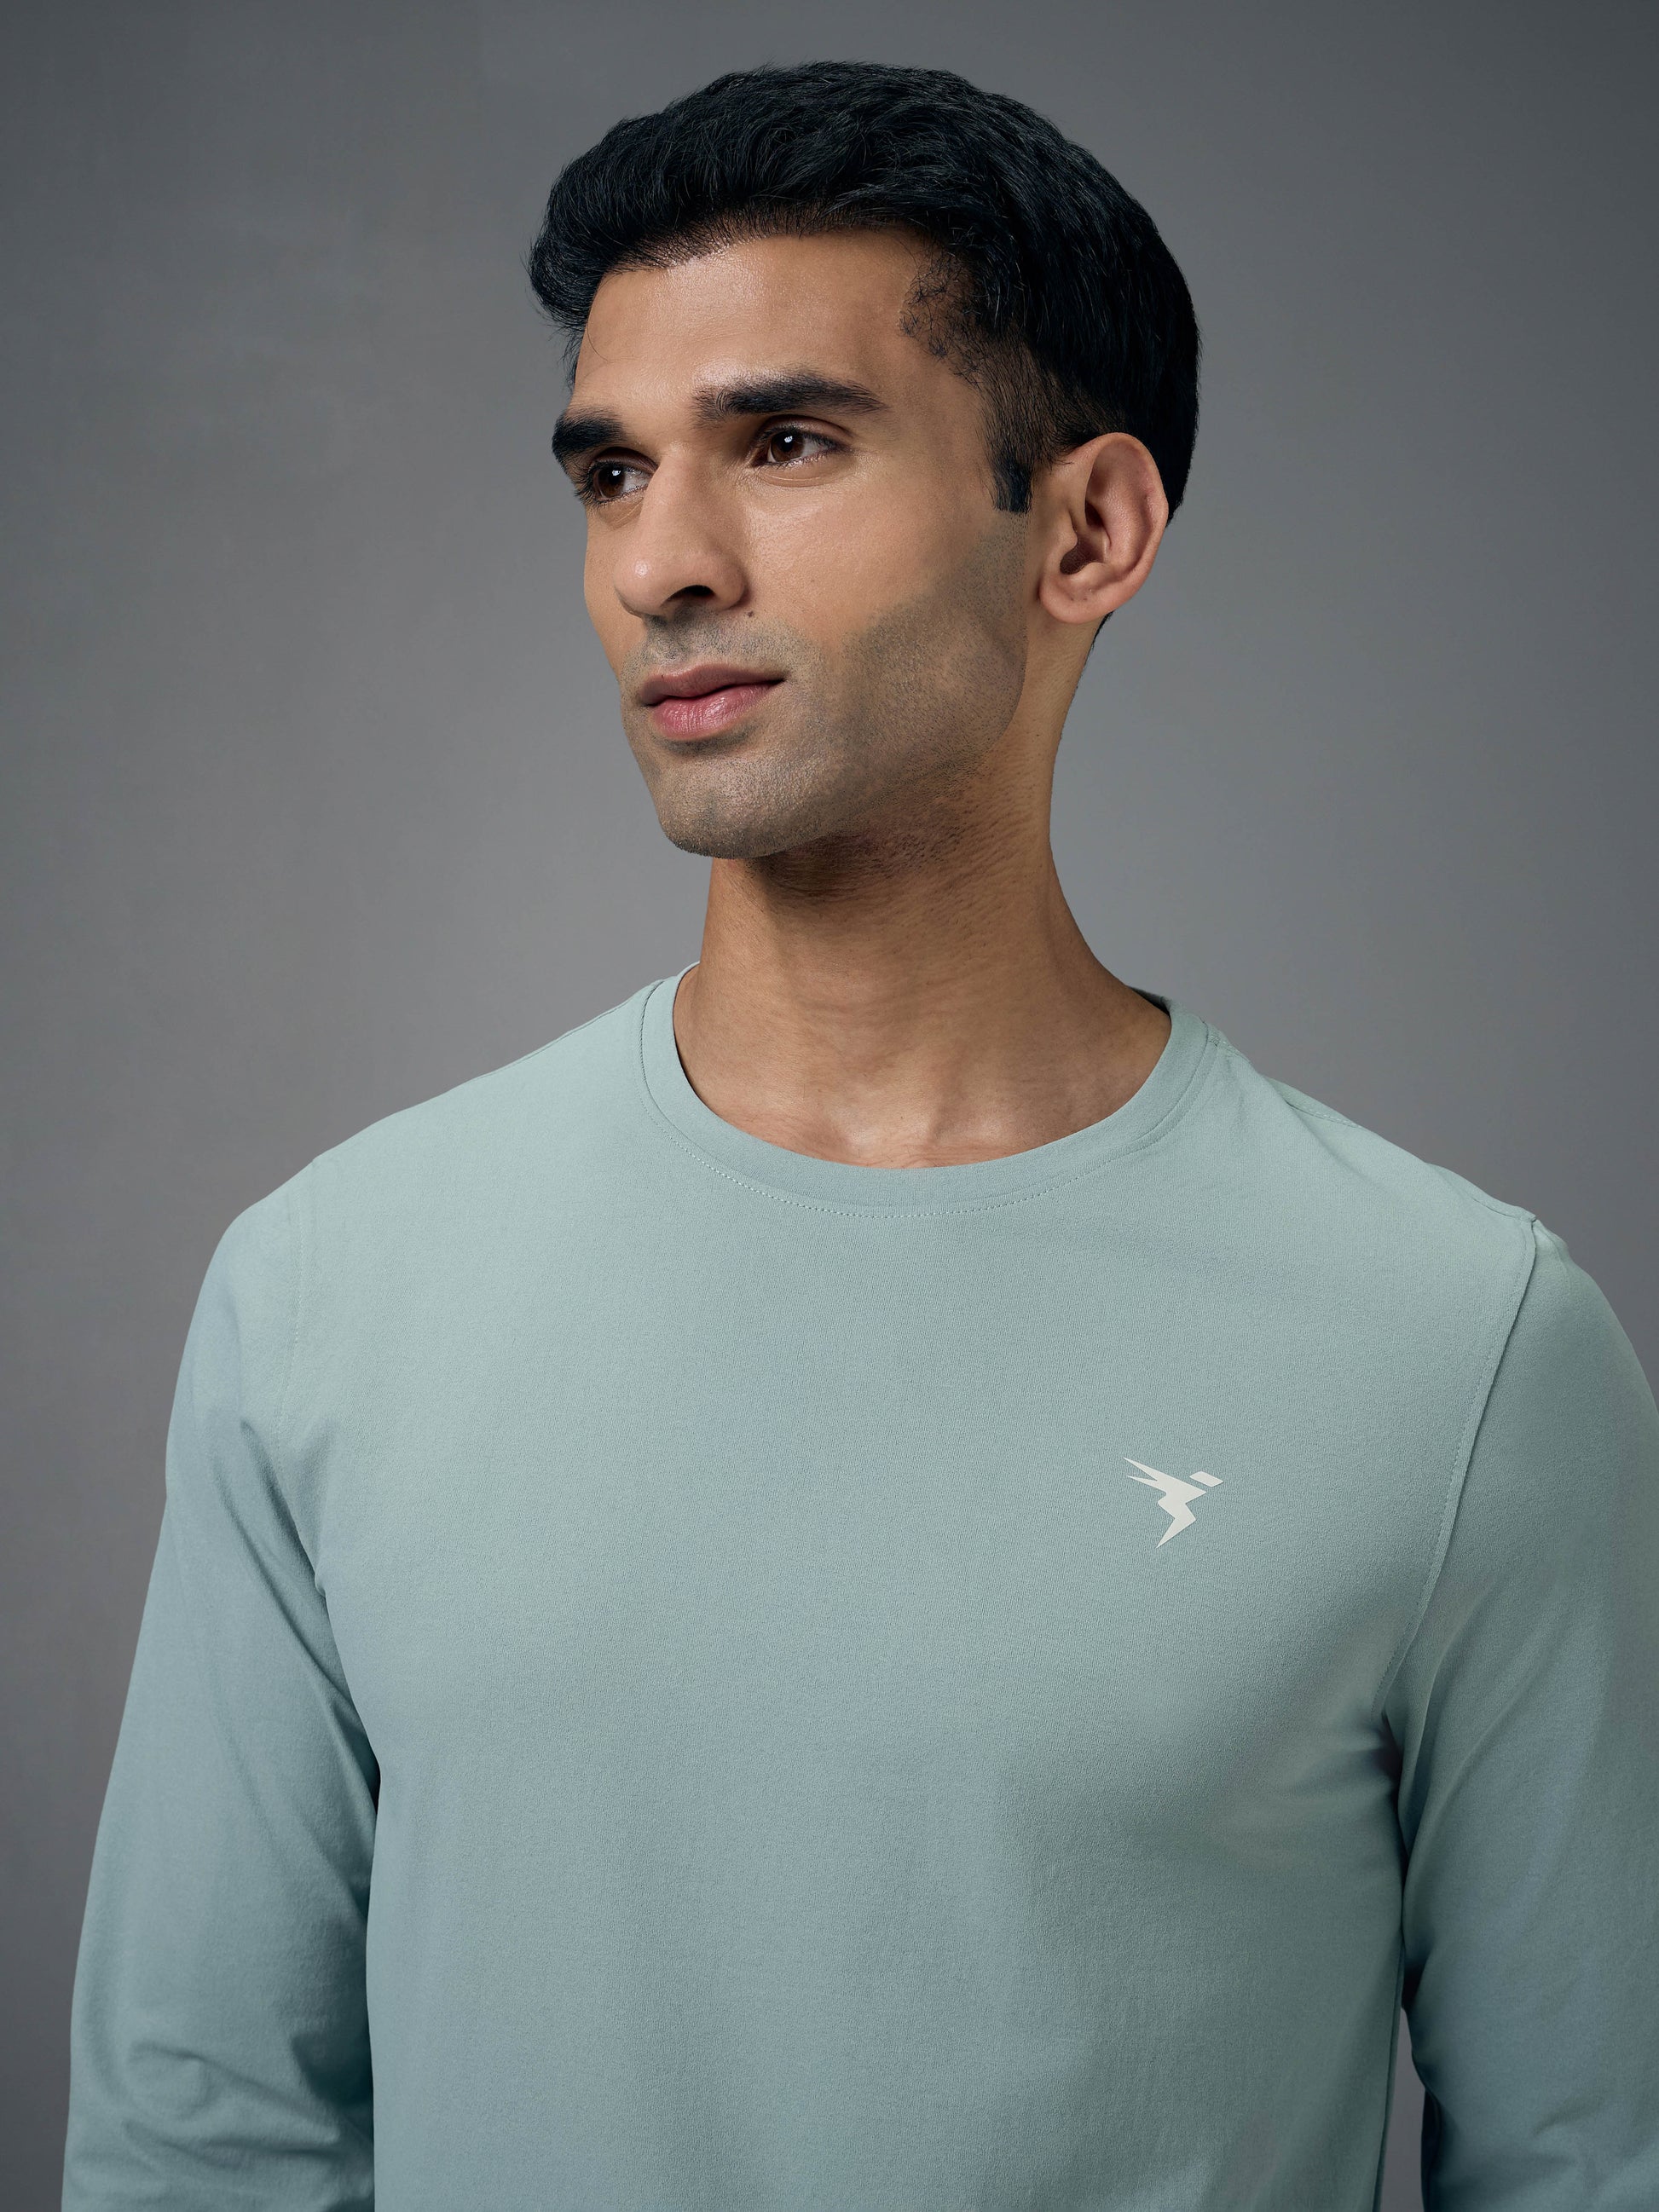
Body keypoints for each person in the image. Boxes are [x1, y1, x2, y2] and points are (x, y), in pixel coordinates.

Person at [63, 60, 1657, 2212]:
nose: (661, 562)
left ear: (1086, 530)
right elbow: (201, 2149)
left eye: (787, 444)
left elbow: (1585, 2160)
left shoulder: (1458, 1345)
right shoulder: (327, 1290)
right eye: (610, 472)